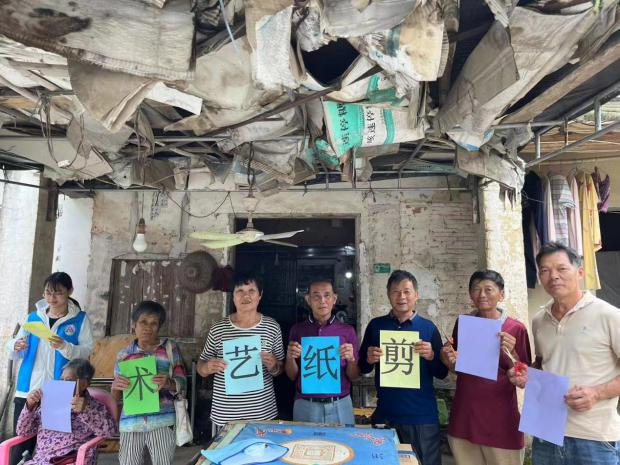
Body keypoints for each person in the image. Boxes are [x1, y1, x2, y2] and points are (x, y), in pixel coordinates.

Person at [509, 242, 620, 465]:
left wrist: (597, 393)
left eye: (561, 268)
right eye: (545, 270)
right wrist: (526, 374)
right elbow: (542, 364)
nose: (553, 276)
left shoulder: (609, 315)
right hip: (545, 432)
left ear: (580, 272)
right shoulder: (539, 320)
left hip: (594, 438)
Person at [440, 270, 531, 465]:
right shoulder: (463, 323)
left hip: (500, 421)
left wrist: (512, 353)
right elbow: (458, 367)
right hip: (465, 417)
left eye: (489, 289)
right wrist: (447, 358)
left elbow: (525, 376)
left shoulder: (515, 328)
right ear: (470, 294)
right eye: (476, 289)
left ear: (501, 294)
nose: (482, 295)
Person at [359, 270, 448, 465]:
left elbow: (441, 373)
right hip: (386, 414)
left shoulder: (428, 328)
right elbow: (362, 368)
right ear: (388, 295)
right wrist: (369, 358)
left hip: (421, 418)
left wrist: (432, 356)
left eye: (407, 291)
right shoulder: (376, 326)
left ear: (416, 295)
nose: (401, 297)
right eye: (395, 291)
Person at [197, 272, 285, 433]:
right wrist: (207, 368)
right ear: (233, 296)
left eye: (251, 290)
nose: (246, 296)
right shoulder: (219, 328)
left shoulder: (271, 327)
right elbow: (201, 366)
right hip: (226, 414)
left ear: (260, 295)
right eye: (240, 291)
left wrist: (274, 366)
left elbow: (280, 368)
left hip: (262, 413)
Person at [6, 272, 94, 431]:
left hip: (59, 390)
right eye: (48, 292)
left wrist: (65, 346)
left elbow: (86, 352)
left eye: (58, 292)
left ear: (70, 291)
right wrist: (16, 345)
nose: (52, 298)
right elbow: (14, 348)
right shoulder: (33, 317)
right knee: (21, 440)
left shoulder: (80, 319)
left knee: (52, 441)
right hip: (28, 388)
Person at [112, 301, 187, 465]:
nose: (148, 328)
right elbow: (115, 396)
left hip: (162, 420)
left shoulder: (169, 349)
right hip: (131, 422)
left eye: (154, 323)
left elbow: (182, 382)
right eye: (143, 322)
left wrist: (169, 383)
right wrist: (115, 386)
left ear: (159, 327)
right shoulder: (124, 355)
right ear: (134, 325)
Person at [285, 280, 360, 424]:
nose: (322, 301)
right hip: (305, 403)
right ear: (308, 300)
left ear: (334, 299)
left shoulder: (347, 331)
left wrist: (351, 360)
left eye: (327, 295)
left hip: (339, 403)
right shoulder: (297, 330)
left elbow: (354, 376)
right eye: (316, 296)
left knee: (342, 439)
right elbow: (292, 375)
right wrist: (290, 358)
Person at [16, 358, 117, 465]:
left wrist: (86, 410)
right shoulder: (50, 401)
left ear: (84, 384)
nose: (63, 384)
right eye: (61, 380)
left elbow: (109, 432)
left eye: (68, 380)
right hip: (41, 460)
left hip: (71, 460)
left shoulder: (94, 406)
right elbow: (22, 431)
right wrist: (30, 406)